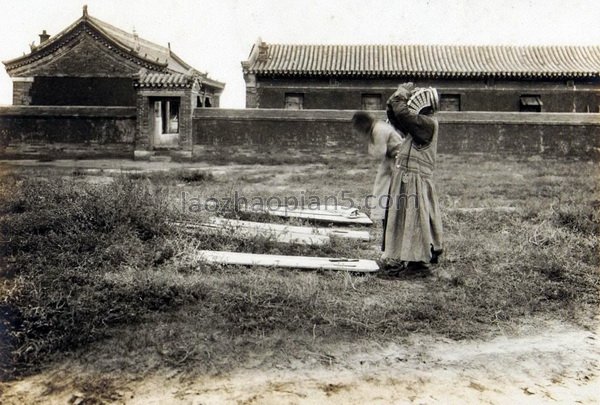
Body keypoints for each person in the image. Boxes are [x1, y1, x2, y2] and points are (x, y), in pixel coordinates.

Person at [380, 82, 444, 277]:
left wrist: (400, 95)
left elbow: (403, 115)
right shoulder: (417, 125)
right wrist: (395, 99)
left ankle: (419, 264)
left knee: (416, 220)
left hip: (416, 179)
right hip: (407, 178)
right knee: (401, 218)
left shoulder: (426, 124)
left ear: (424, 106)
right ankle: (400, 257)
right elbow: (395, 116)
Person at [351, 111, 405, 230]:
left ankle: (389, 217)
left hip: (398, 161)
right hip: (391, 160)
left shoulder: (378, 130)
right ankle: (385, 217)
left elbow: (379, 153)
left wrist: (370, 146)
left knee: (387, 190)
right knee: (383, 189)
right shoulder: (377, 127)